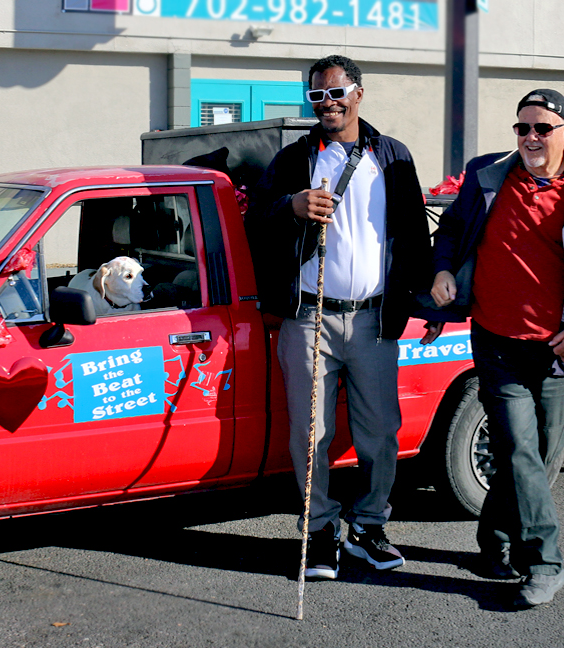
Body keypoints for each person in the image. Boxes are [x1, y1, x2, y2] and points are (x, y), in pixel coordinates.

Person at [424, 89, 564, 606]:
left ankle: (495, 542)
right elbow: (452, 230)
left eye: (542, 128)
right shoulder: (487, 177)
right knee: (519, 451)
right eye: (522, 128)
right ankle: (545, 564)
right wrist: (441, 270)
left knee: (538, 459)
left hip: (561, 351)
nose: (530, 137)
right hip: (497, 344)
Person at [247, 54, 431, 580]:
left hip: (374, 320)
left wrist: (425, 301)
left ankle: (369, 526)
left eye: (336, 93)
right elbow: (255, 220)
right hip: (309, 317)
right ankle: (321, 529)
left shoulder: (390, 155)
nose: (327, 104)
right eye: (317, 96)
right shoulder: (294, 159)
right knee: (311, 435)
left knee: (381, 433)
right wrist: (291, 206)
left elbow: (414, 234)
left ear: (358, 94)